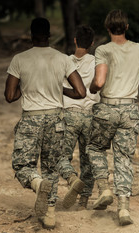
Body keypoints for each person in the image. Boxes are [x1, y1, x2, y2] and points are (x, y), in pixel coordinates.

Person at [5, 17, 86, 229]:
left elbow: (9, 95)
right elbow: (80, 92)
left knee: (22, 165)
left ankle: (36, 183)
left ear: (31, 35)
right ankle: (50, 214)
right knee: (51, 166)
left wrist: (28, 86)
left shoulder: (19, 59)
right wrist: (59, 89)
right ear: (49, 35)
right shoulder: (62, 59)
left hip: (32, 118)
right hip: (56, 119)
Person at [88, 9, 139, 226]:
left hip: (108, 108)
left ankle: (104, 189)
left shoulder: (103, 50)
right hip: (130, 110)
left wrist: (92, 86)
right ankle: (123, 208)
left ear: (107, 28)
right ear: (126, 27)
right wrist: (132, 80)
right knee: (124, 157)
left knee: (95, 148)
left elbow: (99, 81)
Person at [58, 25, 100, 211]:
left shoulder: (64, 61)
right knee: (87, 159)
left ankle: (72, 179)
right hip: (90, 115)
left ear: (75, 40)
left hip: (69, 114)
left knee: (61, 156)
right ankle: (84, 200)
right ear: (92, 43)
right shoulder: (97, 61)